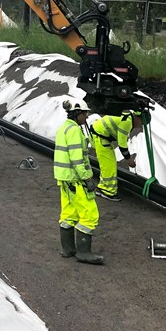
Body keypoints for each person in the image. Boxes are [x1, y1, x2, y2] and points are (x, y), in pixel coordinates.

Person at [54, 98, 104, 264]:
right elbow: (77, 159)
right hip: (76, 180)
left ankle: (68, 249)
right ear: (77, 113)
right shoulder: (75, 131)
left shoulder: (64, 128)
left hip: (65, 179)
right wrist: (86, 178)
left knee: (69, 213)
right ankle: (84, 253)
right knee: (89, 214)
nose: (87, 116)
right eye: (84, 113)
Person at [90, 110, 144, 201]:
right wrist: (129, 159)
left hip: (101, 135)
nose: (140, 126)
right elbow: (122, 144)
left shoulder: (128, 117)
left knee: (106, 164)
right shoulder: (127, 122)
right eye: (141, 123)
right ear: (138, 119)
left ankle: (102, 187)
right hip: (100, 136)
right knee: (109, 166)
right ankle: (108, 191)